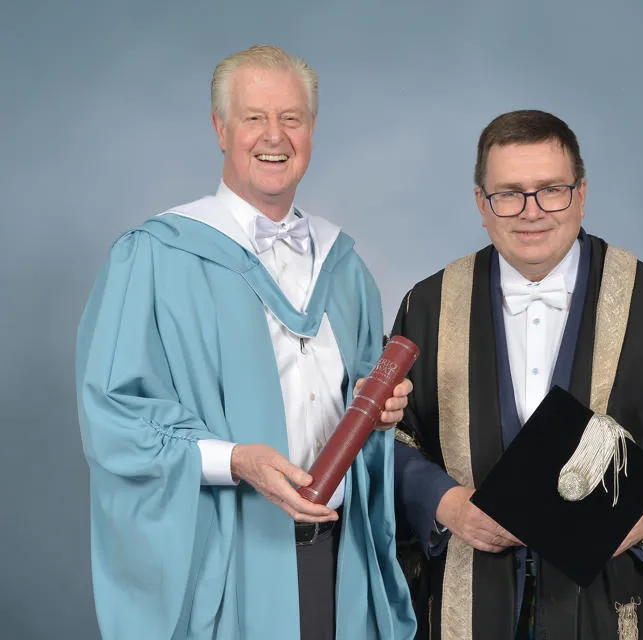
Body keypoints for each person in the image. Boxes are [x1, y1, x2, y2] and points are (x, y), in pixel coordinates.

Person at [76, 45, 416, 640]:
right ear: (220, 128)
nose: (274, 136)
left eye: (292, 118)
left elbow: (359, 405)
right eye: (254, 117)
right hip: (224, 559)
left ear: (311, 130)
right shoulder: (156, 256)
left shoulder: (346, 269)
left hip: (335, 559)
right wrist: (234, 460)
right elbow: (113, 413)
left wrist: (378, 412)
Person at [392, 110, 643, 640]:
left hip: (615, 596)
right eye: (508, 194)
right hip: (469, 598)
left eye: (550, 190)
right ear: (481, 204)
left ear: (580, 194)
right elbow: (390, 441)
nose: (531, 212)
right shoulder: (427, 306)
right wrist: (444, 504)